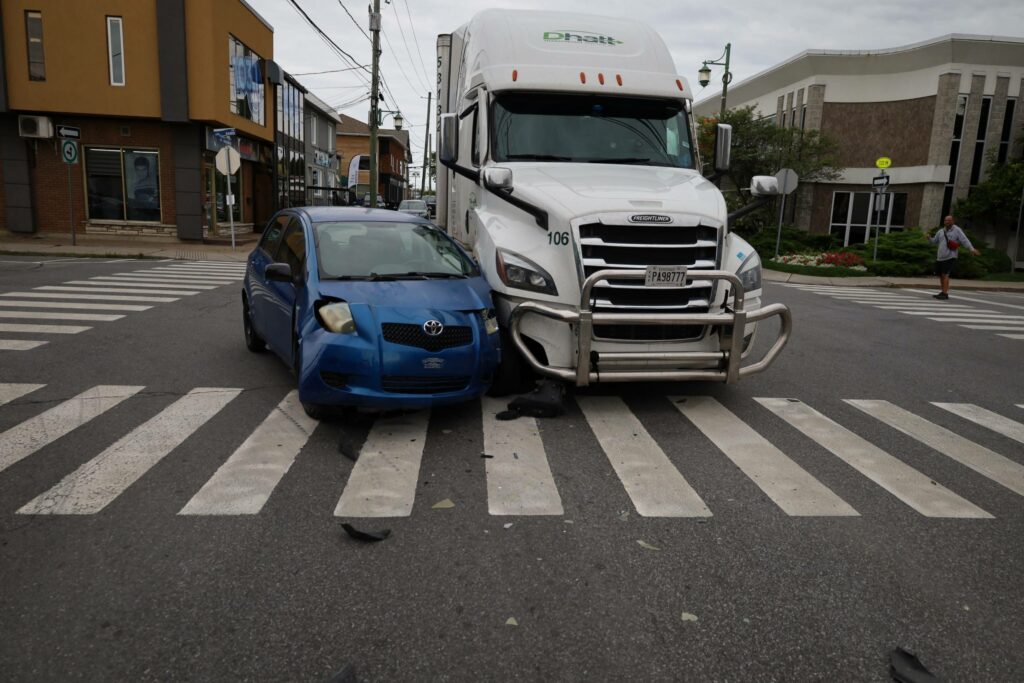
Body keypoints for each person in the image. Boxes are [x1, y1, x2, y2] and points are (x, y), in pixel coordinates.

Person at [924, 215, 979, 300]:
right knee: (941, 275)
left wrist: (971, 249)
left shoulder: (957, 230)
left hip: (950, 256)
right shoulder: (941, 231)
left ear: (953, 221)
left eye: (949, 220)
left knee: (945, 274)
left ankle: (945, 294)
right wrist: (929, 238)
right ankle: (942, 292)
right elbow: (935, 241)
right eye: (946, 220)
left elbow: (964, 240)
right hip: (940, 257)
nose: (947, 222)